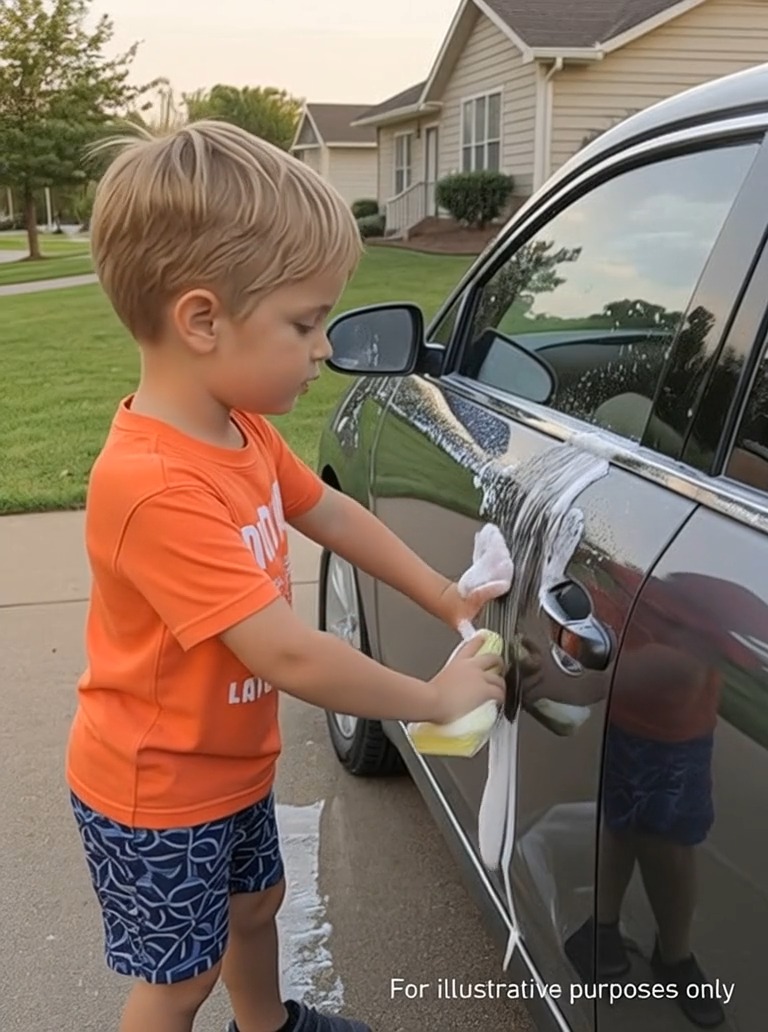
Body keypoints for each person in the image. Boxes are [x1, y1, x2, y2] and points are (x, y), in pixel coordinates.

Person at [65, 120, 506, 1032]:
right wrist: (433, 697)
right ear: (201, 320)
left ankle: (266, 1025)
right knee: (175, 981)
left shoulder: (242, 429)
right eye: (304, 323)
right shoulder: (152, 485)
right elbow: (288, 655)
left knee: (254, 910)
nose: (323, 348)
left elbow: (332, 515)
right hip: (158, 791)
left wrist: (442, 594)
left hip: (227, 767)